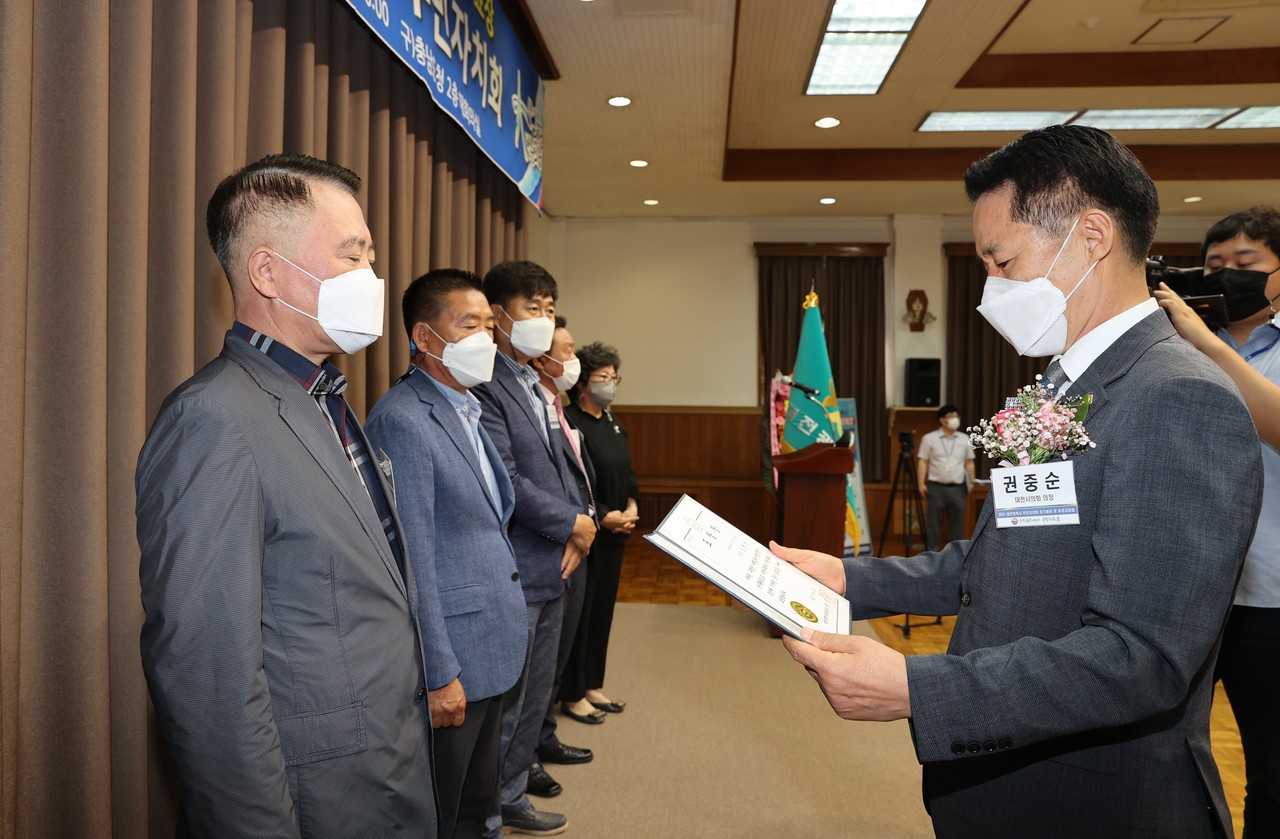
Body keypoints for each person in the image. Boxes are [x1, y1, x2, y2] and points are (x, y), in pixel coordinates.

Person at [772, 125, 1264, 838]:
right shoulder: (1064, 386)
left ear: (1092, 235)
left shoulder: (1178, 395)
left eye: (1001, 261)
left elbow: (1143, 656)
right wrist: (849, 582)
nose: (990, 289)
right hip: (1015, 778)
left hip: (1099, 802)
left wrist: (918, 687)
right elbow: (996, 560)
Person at [135, 154, 437, 837]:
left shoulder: (324, 397)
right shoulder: (211, 419)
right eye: (352, 255)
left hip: (389, 770)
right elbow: (208, 677)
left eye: (371, 258)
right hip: (313, 798)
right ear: (268, 272)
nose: (371, 278)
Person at [365, 269, 528, 839]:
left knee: (478, 804)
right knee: (444, 809)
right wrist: (439, 671)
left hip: (489, 641)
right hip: (453, 655)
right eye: (468, 325)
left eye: (489, 324)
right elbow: (413, 555)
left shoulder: (468, 407)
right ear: (426, 338)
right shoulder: (404, 418)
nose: (486, 338)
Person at [1154, 206, 1280, 836]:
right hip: (1189, 594)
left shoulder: (1201, 346)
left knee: (1272, 773)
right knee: (1161, 760)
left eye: (1246, 263)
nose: (1227, 275)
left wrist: (1205, 346)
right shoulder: (1171, 346)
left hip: (1270, 601)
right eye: (1214, 265)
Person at [472, 260, 596, 837]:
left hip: (555, 560)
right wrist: (570, 522)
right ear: (498, 316)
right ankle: (491, 808)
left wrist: (583, 518)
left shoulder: (532, 380)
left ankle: (513, 792)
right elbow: (507, 478)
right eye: (532, 309)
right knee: (509, 702)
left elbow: (564, 467)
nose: (543, 321)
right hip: (520, 562)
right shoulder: (487, 381)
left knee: (536, 693)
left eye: (550, 309)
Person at [528, 318, 599, 800]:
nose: (574, 361)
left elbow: (574, 478)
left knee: (555, 661)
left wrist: (586, 522)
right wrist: (572, 528)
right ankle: (524, 759)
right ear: (541, 357)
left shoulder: (557, 407)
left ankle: (543, 737)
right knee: (534, 671)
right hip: (551, 548)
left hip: (577, 544)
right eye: (567, 351)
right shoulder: (528, 403)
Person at [559, 342, 638, 723]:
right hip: (588, 533)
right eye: (602, 378)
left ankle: (592, 685)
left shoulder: (612, 420)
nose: (610, 384)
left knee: (603, 612)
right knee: (582, 614)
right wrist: (605, 515)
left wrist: (633, 506)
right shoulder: (570, 421)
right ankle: (572, 694)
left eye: (614, 377)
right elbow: (574, 483)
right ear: (581, 383)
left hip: (617, 533)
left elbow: (627, 472)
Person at [915, 404, 976, 551]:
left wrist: (972, 481)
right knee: (933, 523)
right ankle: (932, 554)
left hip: (958, 487)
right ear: (942, 420)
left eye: (956, 416)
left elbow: (969, 462)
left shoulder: (964, 438)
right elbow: (923, 461)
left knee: (957, 524)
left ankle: (956, 556)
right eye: (951, 417)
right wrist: (920, 483)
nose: (955, 419)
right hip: (936, 487)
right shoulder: (929, 438)